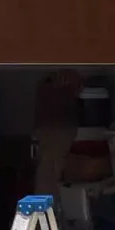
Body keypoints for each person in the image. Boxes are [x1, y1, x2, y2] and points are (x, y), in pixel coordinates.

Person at [32, 70, 83, 203]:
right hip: (56, 132)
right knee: (50, 173)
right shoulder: (54, 93)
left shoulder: (46, 90)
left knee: (50, 172)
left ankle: (48, 211)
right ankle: (49, 211)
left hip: (55, 132)